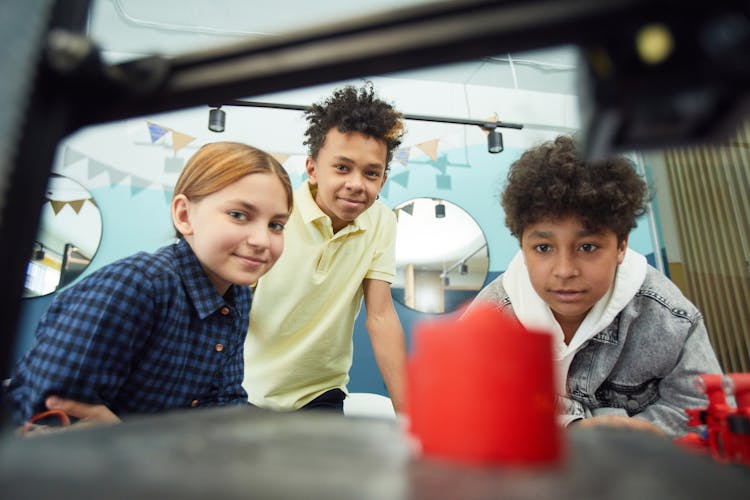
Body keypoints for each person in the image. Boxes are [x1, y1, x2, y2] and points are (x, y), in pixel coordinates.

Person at [4, 142, 293, 430]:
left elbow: (223, 400)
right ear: (184, 215)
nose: (261, 240)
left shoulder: (238, 294)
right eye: (239, 215)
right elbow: (52, 412)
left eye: (276, 225)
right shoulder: (135, 286)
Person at [464, 135, 723, 437]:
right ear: (522, 247)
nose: (564, 271)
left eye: (587, 247)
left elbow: (703, 407)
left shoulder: (669, 317)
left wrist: (625, 436)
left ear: (621, 245)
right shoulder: (490, 317)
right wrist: (577, 428)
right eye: (544, 248)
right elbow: (469, 406)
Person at [243, 82, 407, 413]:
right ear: (313, 170)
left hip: (322, 391)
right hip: (249, 389)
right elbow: (234, 303)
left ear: (383, 180)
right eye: (342, 167)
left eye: (371, 173)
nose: (356, 184)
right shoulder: (277, 212)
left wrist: (412, 414)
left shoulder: (382, 221)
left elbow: (381, 315)